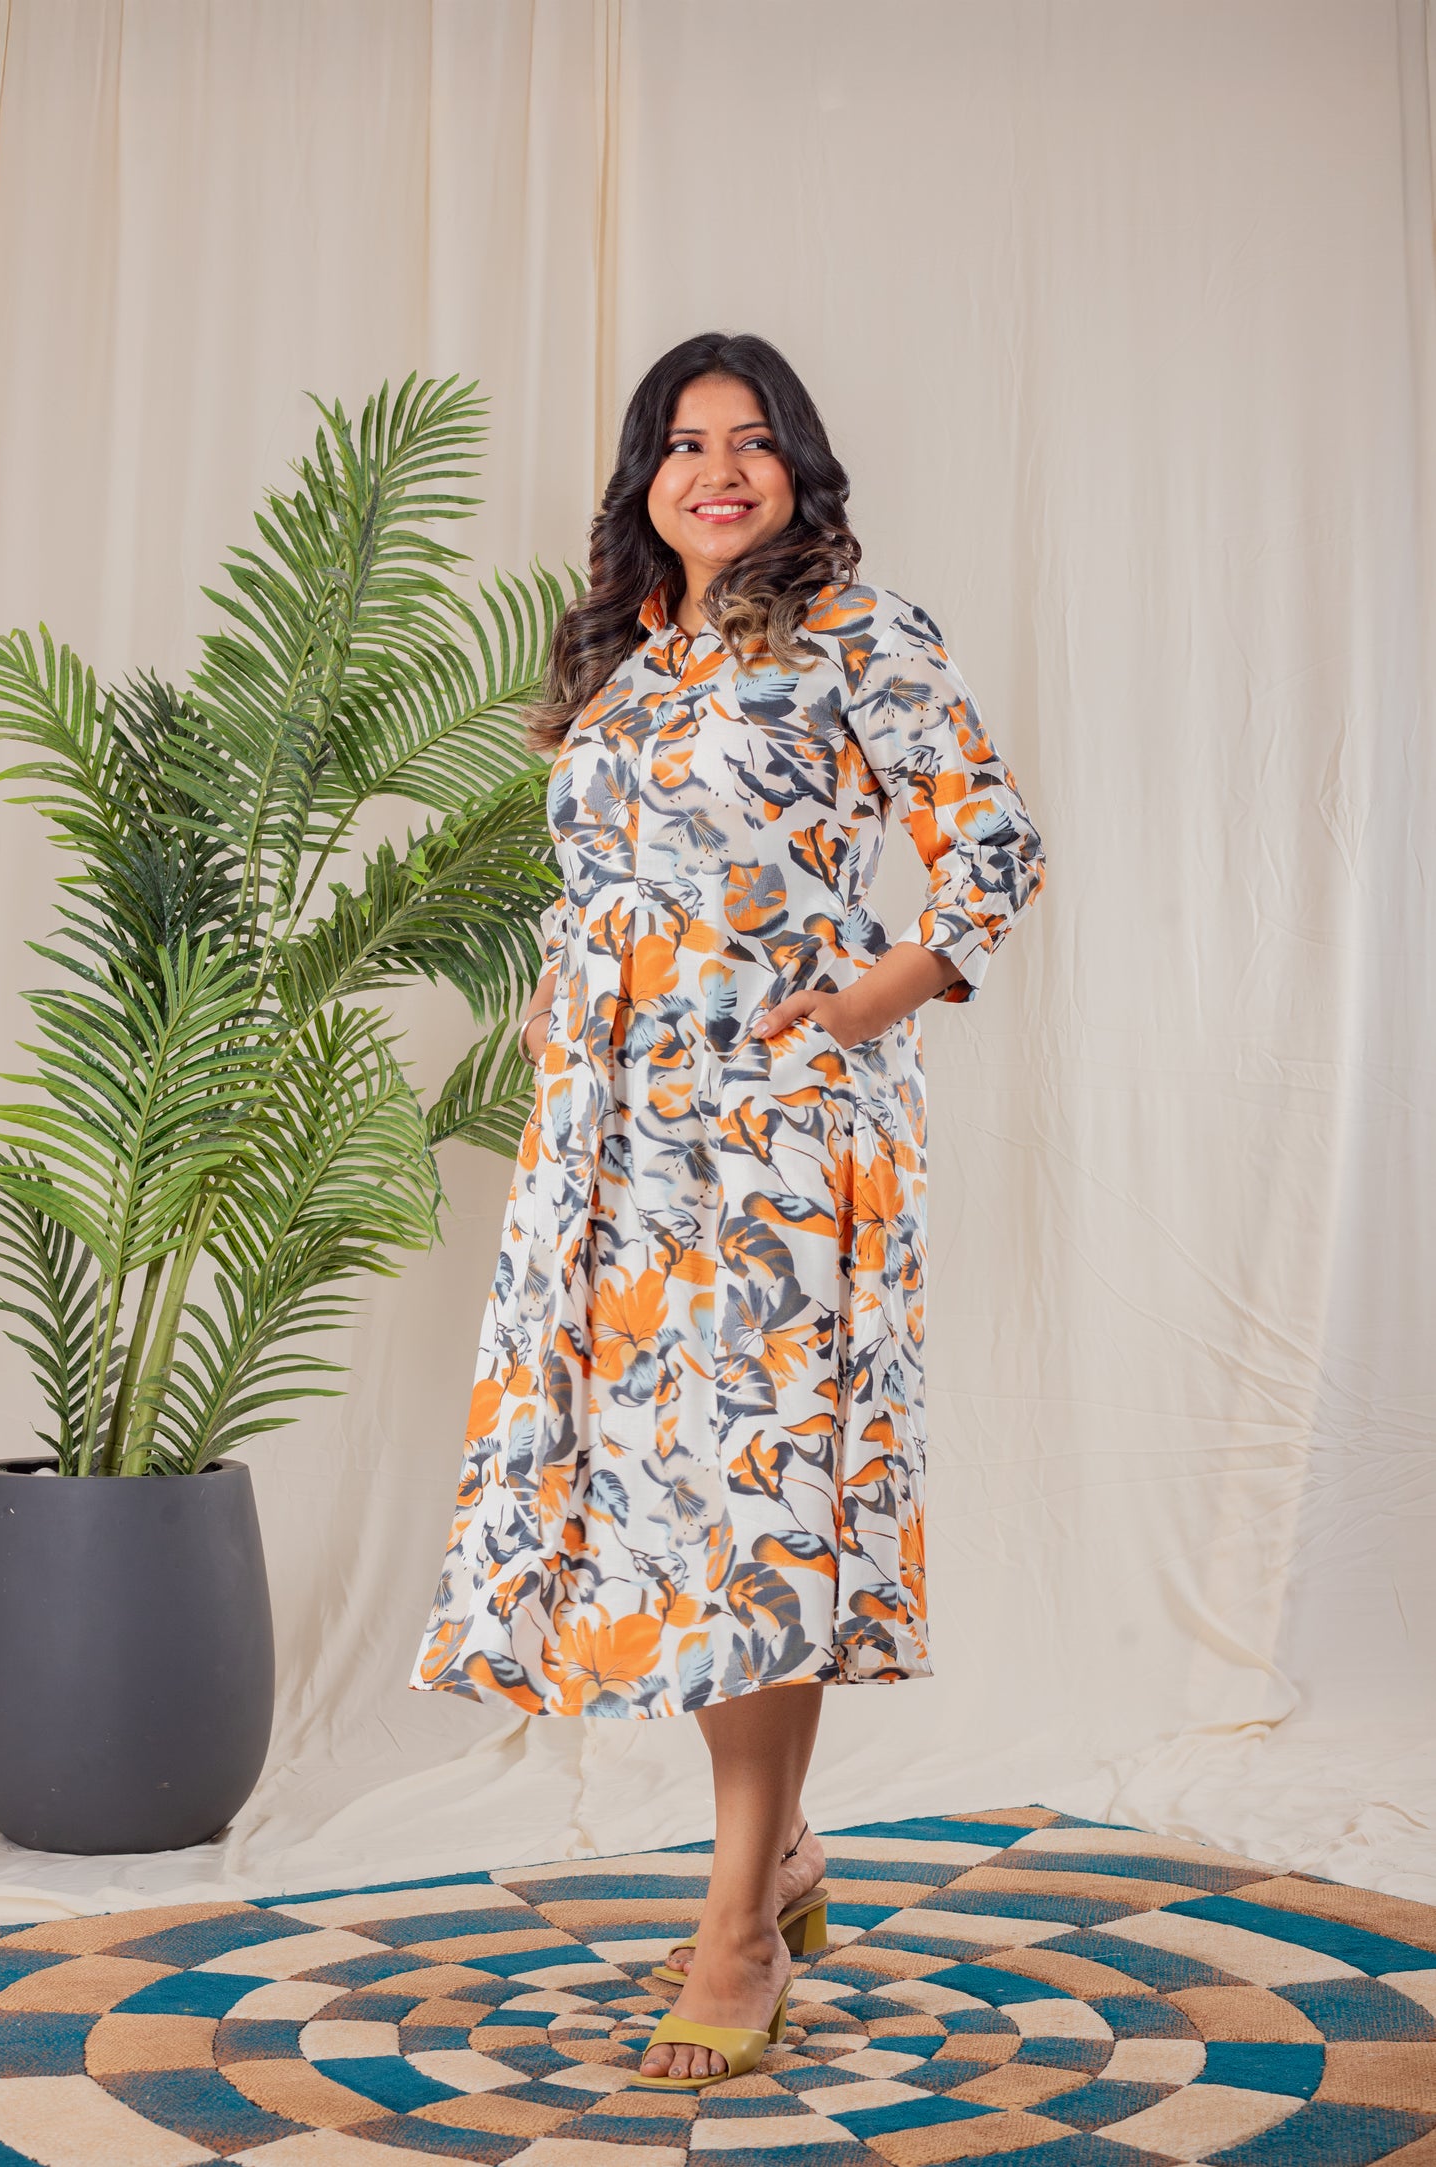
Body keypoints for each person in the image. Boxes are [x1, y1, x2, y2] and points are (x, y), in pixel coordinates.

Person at [410, 330, 1046, 2088]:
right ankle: (783, 1850)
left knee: (758, 1508)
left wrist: (867, 1000)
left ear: (798, 470)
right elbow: (598, 880)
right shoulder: (625, 654)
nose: (718, 470)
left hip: (777, 1138)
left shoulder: (861, 631)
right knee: (670, 1510)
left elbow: (990, 847)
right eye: (685, 443)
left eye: (752, 441)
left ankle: (738, 1925)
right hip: (610, 1142)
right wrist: (560, 1002)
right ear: (645, 479)